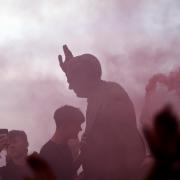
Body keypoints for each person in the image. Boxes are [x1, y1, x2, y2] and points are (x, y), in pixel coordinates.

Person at [58, 45, 145, 180]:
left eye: (71, 79)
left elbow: (131, 148)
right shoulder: (97, 97)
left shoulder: (111, 95)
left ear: (84, 76)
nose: (70, 86)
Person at [40, 105, 85, 180]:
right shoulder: (47, 153)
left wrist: (83, 154)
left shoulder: (64, 147)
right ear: (64, 126)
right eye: (77, 125)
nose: (80, 129)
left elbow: (68, 173)